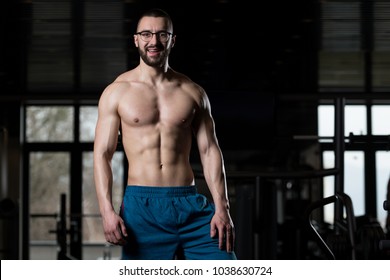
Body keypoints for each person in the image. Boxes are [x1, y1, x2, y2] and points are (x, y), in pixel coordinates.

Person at [93, 8, 236, 260]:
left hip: (189, 204)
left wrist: (221, 206)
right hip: (142, 207)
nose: (154, 41)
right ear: (136, 39)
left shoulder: (192, 92)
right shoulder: (116, 92)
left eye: (162, 34)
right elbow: (102, 154)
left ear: (172, 40)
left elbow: (209, 149)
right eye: (146, 34)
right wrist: (106, 210)